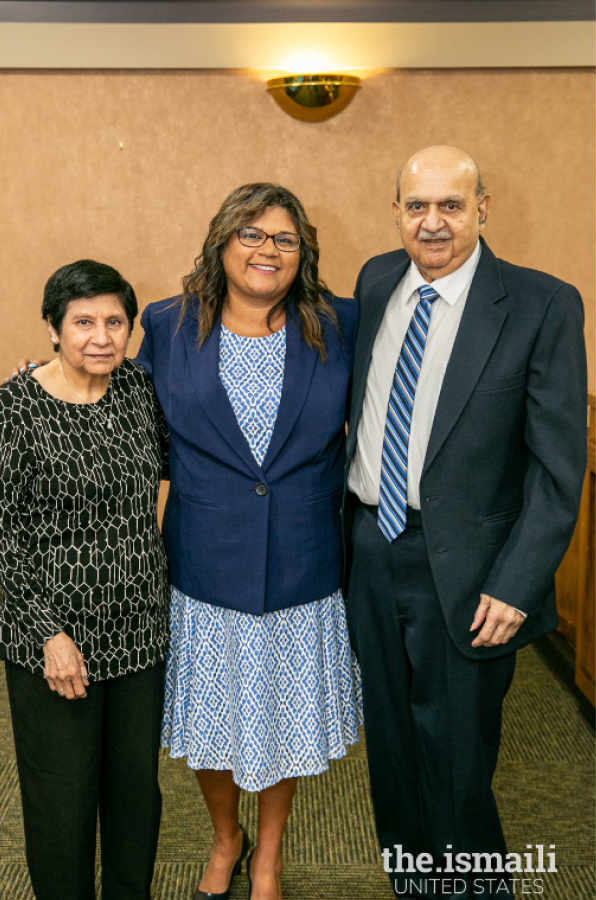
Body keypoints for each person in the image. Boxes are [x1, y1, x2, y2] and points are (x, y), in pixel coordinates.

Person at [343, 146, 588, 900]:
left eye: (452, 205)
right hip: (370, 549)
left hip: (474, 575)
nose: (434, 222)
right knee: (390, 749)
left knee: (455, 762)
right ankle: (413, 889)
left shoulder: (542, 304)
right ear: (396, 213)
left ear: (483, 208)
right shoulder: (377, 280)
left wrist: (517, 585)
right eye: (418, 206)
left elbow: (557, 466)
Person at [137, 183, 362, 900]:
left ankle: (267, 855)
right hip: (206, 558)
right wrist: (51, 385)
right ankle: (225, 838)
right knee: (213, 717)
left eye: (285, 239)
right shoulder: (169, 324)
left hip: (303, 557)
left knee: (286, 718)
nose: (268, 250)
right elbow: (131, 420)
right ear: (222, 242)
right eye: (252, 235)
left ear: (305, 253)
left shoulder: (341, 322)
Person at [0, 259, 170, 900]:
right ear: (53, 330)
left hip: (139, 635)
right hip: (56, 642)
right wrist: (48, 634)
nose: (101, 336)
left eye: (115, 321)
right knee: (61, 808)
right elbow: (0, 535)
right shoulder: (14, 408)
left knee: (135, 801)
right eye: (83, 321)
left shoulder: (140, 391)